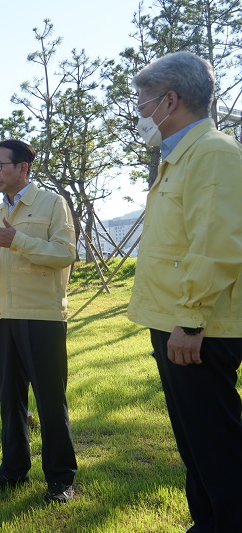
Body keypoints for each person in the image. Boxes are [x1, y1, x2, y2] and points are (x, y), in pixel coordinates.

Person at [127, 51, 242, 532]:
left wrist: (190, 321)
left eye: (142, 104)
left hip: (198, 329)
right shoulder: (180, 158)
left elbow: (216, 244)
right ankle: (208, 522)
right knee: (196, 443)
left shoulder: (212, 153)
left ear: (169, 100)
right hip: (175, 321)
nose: (139, 115)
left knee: (217, 446)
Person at [0, 139, 78, 503]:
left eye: (1, 165)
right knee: (9, 401)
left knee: (50, 400)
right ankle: (13, 472)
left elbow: (64, 254)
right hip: (2, 317)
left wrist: (18, 240)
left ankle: (61, 479)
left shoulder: (52, 204)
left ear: (23, 169)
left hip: (42, 317)